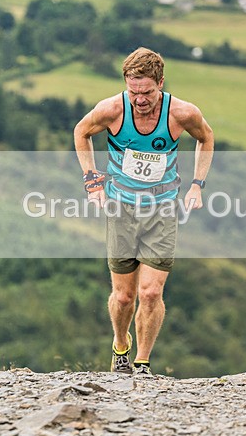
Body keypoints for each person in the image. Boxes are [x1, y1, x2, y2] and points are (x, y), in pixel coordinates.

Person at [74, 47, 214, 377]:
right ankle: (120, 345)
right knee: (124, 297)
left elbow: (206, 138)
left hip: (162, 208)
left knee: (151, 293)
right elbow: (81, 131)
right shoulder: (111, 109)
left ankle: (142, 363)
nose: (140, 100)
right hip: (121, 208)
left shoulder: (181, 113)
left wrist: (197, 184)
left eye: (147, 92)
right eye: (133, 92)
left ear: (161, 84)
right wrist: (92, 180)